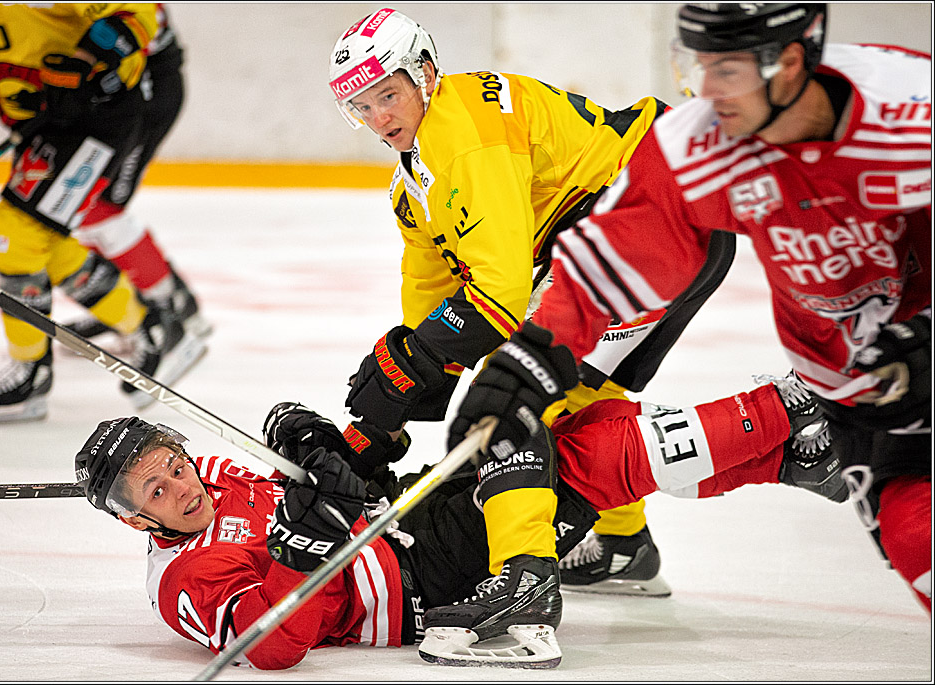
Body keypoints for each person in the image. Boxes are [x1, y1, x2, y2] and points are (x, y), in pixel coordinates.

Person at [448, 4, 931, 612]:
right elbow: (613, 261)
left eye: (726, 69)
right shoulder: (698, 145)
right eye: (696, 64)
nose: (705, 90)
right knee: (917, 539)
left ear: (788, 63)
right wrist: (533, 357)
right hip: (864, 392)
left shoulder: (913, 110)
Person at [329, 7, 740, 600]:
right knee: (570, 388)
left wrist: (416, 361)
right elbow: (434, 300)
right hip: (645, 214)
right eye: (361, 107)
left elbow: (497, 298)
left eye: (386, 95)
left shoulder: (463, 133)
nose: (378, 117)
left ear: (424, 71)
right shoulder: (412, 184)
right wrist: (387, 413)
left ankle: (523, 581)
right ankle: (623, 543)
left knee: (524, 396)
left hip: (664, 214)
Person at [73, 371, 843, 669]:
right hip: (424, 576)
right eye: (152, 489)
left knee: (570, 408)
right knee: (573, 462)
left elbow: (321, 492)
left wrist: (318, 448)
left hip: (406, 513)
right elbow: (271, 646)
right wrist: (304, 549)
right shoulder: (182, 580)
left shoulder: (207, 478)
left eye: (170, 461)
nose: (177, 483)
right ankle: (789, 407)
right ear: (137, 521)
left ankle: (787, 459)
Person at [0, 3, 207, 421]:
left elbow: (136, 12)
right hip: (42, 122)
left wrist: (84, 63)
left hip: (100, 113)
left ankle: (37, 368)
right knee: (35, 244)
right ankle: (153, 328)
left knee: (13, 235)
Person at [67, 4, 212, 349]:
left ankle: (168, 308)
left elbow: (138, 24)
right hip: (123, 91)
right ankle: (140, 304)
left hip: (144, 96)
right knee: (83, 206)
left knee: (101, 208)